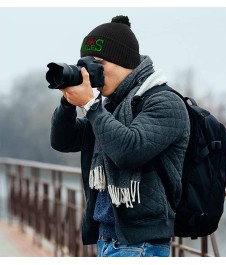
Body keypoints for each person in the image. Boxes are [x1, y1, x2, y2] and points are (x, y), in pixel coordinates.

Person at [50, 15, 190, 257]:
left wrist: (92, 106)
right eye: (85, 65)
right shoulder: (111, 107)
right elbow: (63, 141)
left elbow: (128, 150)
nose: (92, 72)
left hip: (140, 245)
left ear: (126, 63)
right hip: (108, 239)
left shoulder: (164, 102)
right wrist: (67, 103)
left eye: (99, 63)